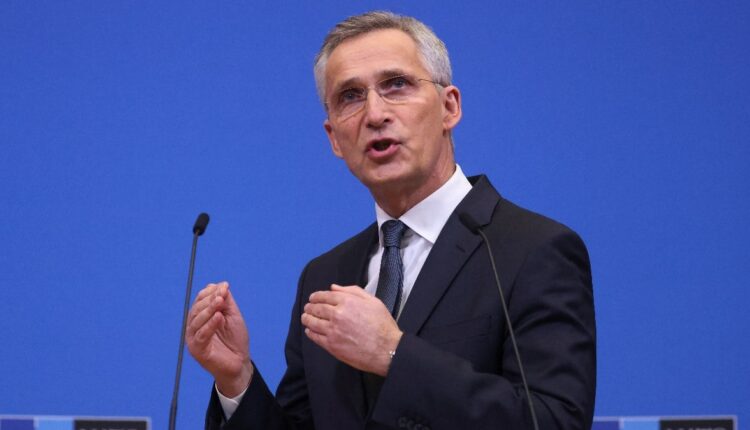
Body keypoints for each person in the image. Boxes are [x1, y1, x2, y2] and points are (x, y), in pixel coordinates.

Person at [186, 11, 596, 430]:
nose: (375, 113)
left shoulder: (531, 250)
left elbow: (554, 421)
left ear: (449, 107)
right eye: (350, 96)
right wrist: (237, 380)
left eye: (396, 85)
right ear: (334, 138)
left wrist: (394, 354)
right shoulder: (324, 276)